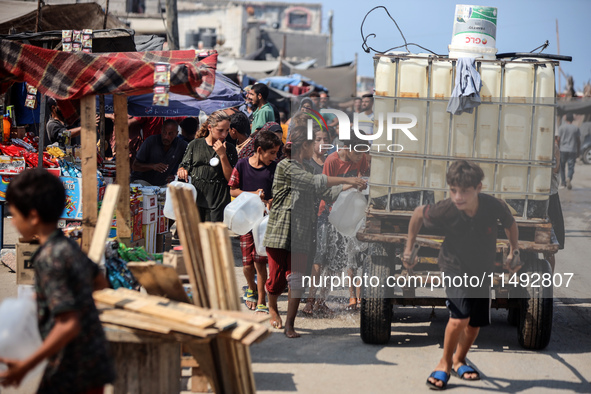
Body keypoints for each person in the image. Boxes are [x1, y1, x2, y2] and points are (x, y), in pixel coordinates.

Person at [402, 160, 520, 389]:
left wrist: (515, 250)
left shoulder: (493, 206)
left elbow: (511, 223)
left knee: (474, 323)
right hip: (453, 266)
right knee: (460, 317)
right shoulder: (446, 208)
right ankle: (444, 363)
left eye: (464, 191)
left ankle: (459, 360)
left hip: (481, 269)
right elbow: (417, 215)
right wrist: (409, 247)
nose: (457, 197)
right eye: (453, 190)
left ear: (478, 188)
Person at [0, 168, 115, 393]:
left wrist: (26, 366)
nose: (12, 223)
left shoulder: (48, 258)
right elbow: (100, 282)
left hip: (72, 370)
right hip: (92, 363)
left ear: (33, 216)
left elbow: (68, 324)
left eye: (15, 215)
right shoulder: (67, 245)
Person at [262, 125, 367, 338]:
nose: (317, 147)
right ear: (304, 146)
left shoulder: (310, 168)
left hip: (301, 233)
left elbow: (326, 192)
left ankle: (290, 324)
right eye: (313, 144)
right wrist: (347, 179)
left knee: (297, 279)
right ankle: (272, 308)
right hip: (280, 231)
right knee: (276, 280)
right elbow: (313, 182)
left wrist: (352, 186)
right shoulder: (286, 166)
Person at [305, 133, 370, 315]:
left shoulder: (362, 158)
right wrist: (351, 183)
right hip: (327, 213)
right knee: (320, 257)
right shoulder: (332, 161)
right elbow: (324, 187)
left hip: (346, 214)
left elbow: (362, 176)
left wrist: (361, 185)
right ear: (347, 149)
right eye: (357, 154)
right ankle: (309, 301)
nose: (360, 158)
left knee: (335, 261)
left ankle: (321, 301)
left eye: (362, 154)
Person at [229, 130, 282, 314]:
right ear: (259, 150)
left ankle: (261, 300)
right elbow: (233, 190)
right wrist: (254, 195)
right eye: (272, 153)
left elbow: (277, 194)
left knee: (260, 262)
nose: (274, 157)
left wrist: (269, 201)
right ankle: (250, 287)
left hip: (263, 223)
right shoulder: (242, 165)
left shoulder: (274, 169)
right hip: (245, 221)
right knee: (246, 265)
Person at [177, 110, 238, 222]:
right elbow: (184, 166)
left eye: (227, 130)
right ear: (210, 128)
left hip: (218, 202)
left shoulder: (229, 149)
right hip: (196, 198)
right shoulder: (195, 145)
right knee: (196, 236)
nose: (224, 135)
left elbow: (230, 179)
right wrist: (182, 170)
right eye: (220, 130)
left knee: (213, 237)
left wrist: (223, 155)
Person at [130, 119, 188, 186]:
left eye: (170, 134)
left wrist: (181, 168)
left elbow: (187, 161)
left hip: (160, 184)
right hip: (140, 182)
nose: (166, 137)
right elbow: (135, 166)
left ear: (176, 134)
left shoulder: (181, 145)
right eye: (164, 132)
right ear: (161, 131)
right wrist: (152, 166)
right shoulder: (150, 141)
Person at [544, 136, 565, 271]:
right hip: (549, 195)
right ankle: (549, 280)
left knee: (549, 244)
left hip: (548, 197)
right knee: (549, 244)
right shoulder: (554, 147)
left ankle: (549, 279)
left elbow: (555, 169)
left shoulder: (553, 148)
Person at [557, 113, 581, 190]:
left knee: (562, 167)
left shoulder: (561, 127)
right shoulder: (576, 128)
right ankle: (569, 177)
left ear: (566, 119)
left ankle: (563, 183)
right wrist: (578, 151)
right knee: (571, 166)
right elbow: (578, 141)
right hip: (572, 150)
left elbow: (558, 140)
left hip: (563, 150)